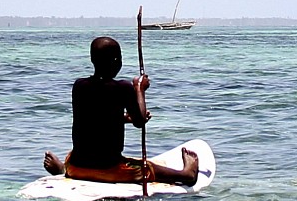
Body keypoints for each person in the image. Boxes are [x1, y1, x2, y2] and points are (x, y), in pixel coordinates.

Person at [42, 36, 200, 185]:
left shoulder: (79, 86)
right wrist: (139, 89)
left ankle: (63, 169)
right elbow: (140, 121)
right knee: (147, 168)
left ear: (92, 60)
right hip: (110, 170)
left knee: (75, 154)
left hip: (76, 166)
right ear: (117, 61)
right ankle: (187, 174)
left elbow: (93, 117)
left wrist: (123, 118)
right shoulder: (123, 88)